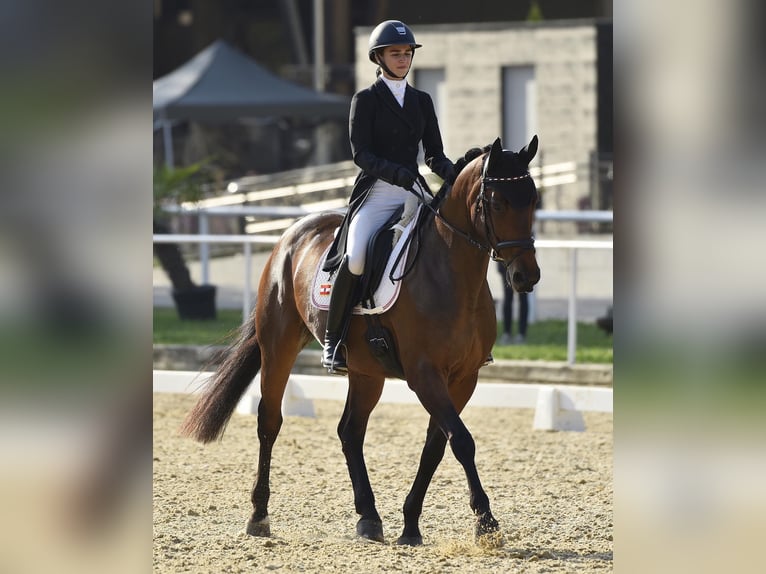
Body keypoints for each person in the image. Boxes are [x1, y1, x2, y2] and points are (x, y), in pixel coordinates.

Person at [320, 19, 457, 373]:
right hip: (378, 193)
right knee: (355, 259)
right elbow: (360, 154)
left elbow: (434, 156)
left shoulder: (422, 101)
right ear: (379, 57)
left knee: (449, 246)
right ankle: (333, 340)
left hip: (413, 193)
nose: (402, 58)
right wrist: (395, 171)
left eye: (407, 53)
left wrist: (455, 174)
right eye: (395, 53)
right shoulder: (365, 100)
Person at [497, 261, 529, 344]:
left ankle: (521, 333)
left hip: (523, 263)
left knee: (523, 297)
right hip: (506, 264)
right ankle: (507, 332)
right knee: (508, 298)